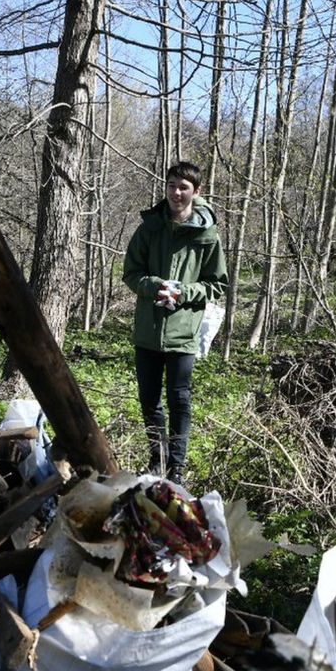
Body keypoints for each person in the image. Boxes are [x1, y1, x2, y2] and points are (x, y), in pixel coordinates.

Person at [122, 161, 228, 485]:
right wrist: (154, 285)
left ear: (196, 192)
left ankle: (177, 468)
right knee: (149, 400)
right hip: (148, 333)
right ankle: (158, 460)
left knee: (179, 400)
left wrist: (184, 291)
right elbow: (130, 273)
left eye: (183, 187)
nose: (176, 192)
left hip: (184, 333)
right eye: (171, 185)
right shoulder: (149, 228)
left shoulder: (207, 236)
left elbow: (217, 284)